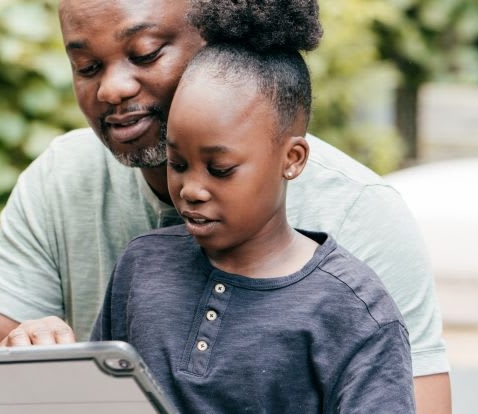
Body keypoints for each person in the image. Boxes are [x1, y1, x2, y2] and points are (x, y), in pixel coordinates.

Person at [0, 0, 450, 411]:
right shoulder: (78, 191)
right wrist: (24, 359)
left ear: (220, 43)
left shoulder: (360, 216)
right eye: (87, 66)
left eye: (147, 52)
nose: (111, 89)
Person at [92, 1, 415, 412]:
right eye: (177, 163)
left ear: (292, 159)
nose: (191, 189)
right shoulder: (141, 265)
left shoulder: (352, 310)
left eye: (220, 168)